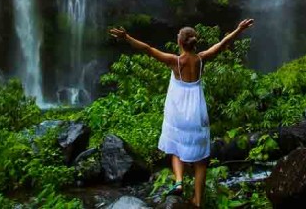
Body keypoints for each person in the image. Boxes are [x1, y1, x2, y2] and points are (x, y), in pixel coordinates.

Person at [109, 18, 255, 207]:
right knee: (201, 160)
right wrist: (238, 29)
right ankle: (198, 200)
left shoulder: (174, 61)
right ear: (193, 42)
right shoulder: (202, 59)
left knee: (176, 146)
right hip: (197, 112)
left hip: (177, 111)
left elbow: (147, 49)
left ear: (180, 42)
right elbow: (222, 44)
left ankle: (178, 181)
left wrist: (126, 37)